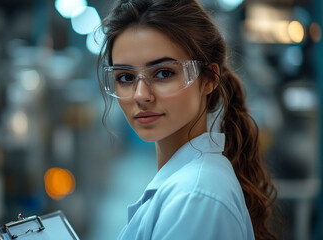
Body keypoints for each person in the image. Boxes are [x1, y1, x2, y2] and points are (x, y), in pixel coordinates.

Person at [97, 0, 278, 239]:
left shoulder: (195, 197)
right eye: (125, 77)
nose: (141, 95)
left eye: (164, 73)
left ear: (209, 79)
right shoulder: (188, 183)